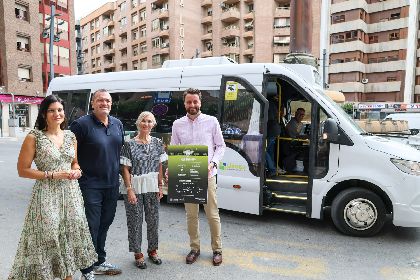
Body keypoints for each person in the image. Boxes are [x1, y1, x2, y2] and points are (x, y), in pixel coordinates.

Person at [8, 95, 97, 280]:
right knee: (48, 237)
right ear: (43, 114)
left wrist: (77, 171)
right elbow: (22, 170)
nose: (57, 114)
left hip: (71, 194)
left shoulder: (71, 136)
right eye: (51, 110)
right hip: (46, 194)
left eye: (60, 110)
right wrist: (52, 174)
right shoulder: (35, 137)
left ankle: (67, 276)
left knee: (69, 238)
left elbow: (75, 163)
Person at [70, 89, 124, 276]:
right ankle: (86, 267)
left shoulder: (117, 124)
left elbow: (118, 152)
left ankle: (99, 260)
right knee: (91, 226)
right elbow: (70, 152)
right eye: (100, 100)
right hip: (89, 185)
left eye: (107, 100)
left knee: (105, 223)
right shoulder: (81, 124)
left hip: (112, 185)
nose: (104, 103)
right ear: (92, 104)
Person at [170, 88, 226, 266]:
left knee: (212, 214)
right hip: (187, 173)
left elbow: (220, 146)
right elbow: (174, 148)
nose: (192, 105)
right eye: (189, 102)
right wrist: (170, 169)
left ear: (200, 102)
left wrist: (213, 163)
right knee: (191, 215)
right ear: (184, 103)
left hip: (208, 174)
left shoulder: (211, 121)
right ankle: (194, 248)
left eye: (195, 101)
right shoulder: (177, 124)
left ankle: (217, 250)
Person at [120, 111, 165, 269]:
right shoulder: (129, 144)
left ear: (154, 124)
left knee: (153, 220)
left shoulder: (158, 143)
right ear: (138, 123)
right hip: (135, 186)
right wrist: (129, 189)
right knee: (135, 221)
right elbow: (125, 168)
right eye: (144, 121)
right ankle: (138, 254)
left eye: (150, 121)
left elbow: (160, 165)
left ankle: (152, 251)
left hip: (152, 186)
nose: (146, 124)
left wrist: (160, 186)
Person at [266, 95, 286, 177]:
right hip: (275, 130)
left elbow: (270, 119)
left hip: (271, 130)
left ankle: (272, 168)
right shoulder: (274, 104)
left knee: (263, 150)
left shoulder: (269, 103)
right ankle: (273, 167)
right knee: (270, 151)